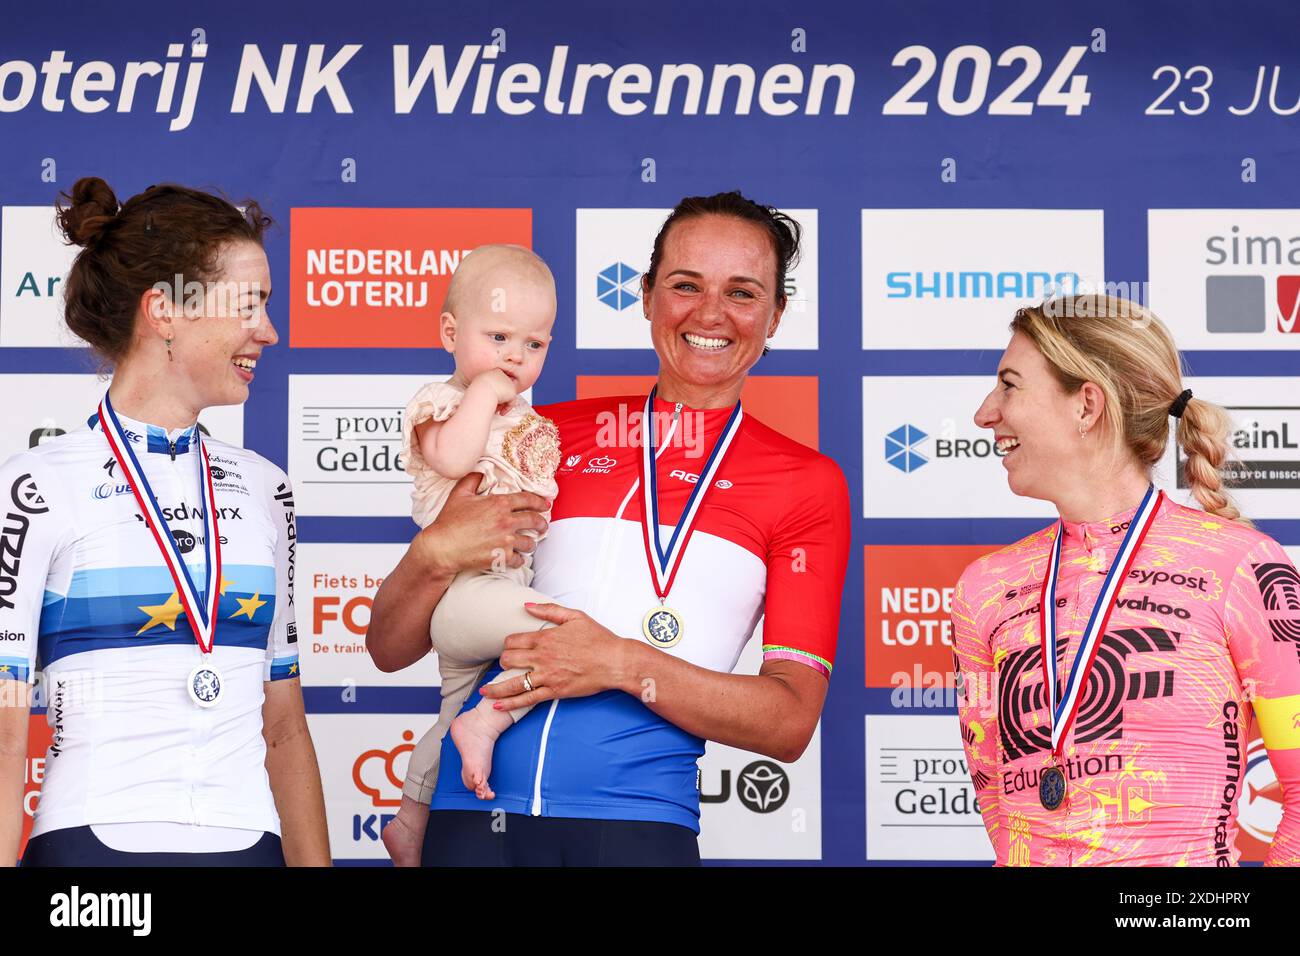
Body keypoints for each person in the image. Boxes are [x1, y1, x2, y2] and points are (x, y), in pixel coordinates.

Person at [367, 191, 851, 866]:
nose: (710, 314)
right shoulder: (541, 434)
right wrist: (434, 553)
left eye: (742, 293)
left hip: (632, 830)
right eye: (686, 285)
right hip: (468, 817)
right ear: (648, 294)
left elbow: (790, 719)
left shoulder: (806, 483)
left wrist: (621, 663)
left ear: (775, 316)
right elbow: (389, 646)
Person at [0, 177, 330, 866]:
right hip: (95, 853)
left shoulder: (266, 490)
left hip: (249, 845)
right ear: (165, 311)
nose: (268, 331)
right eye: (250, 304)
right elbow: (5, 727)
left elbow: (285, 728)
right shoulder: (38, 486)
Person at [952, 295, 1300, 866]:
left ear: (1086, 404)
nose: (986, 413)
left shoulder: (1242, 567)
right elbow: (994, 794)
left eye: (1010, 385)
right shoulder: (984, 588)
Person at [381, 245, 561, 867]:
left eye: (534, 344)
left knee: (454, 710)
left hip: (496, 593)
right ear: (450, 333)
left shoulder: (527, 416)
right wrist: (484, 392)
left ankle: (411, 817)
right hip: (463, 594)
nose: (515, 355)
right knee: (567, 636)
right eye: (499, 336)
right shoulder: (442, 402)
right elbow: (454, 461)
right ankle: (489, 720)